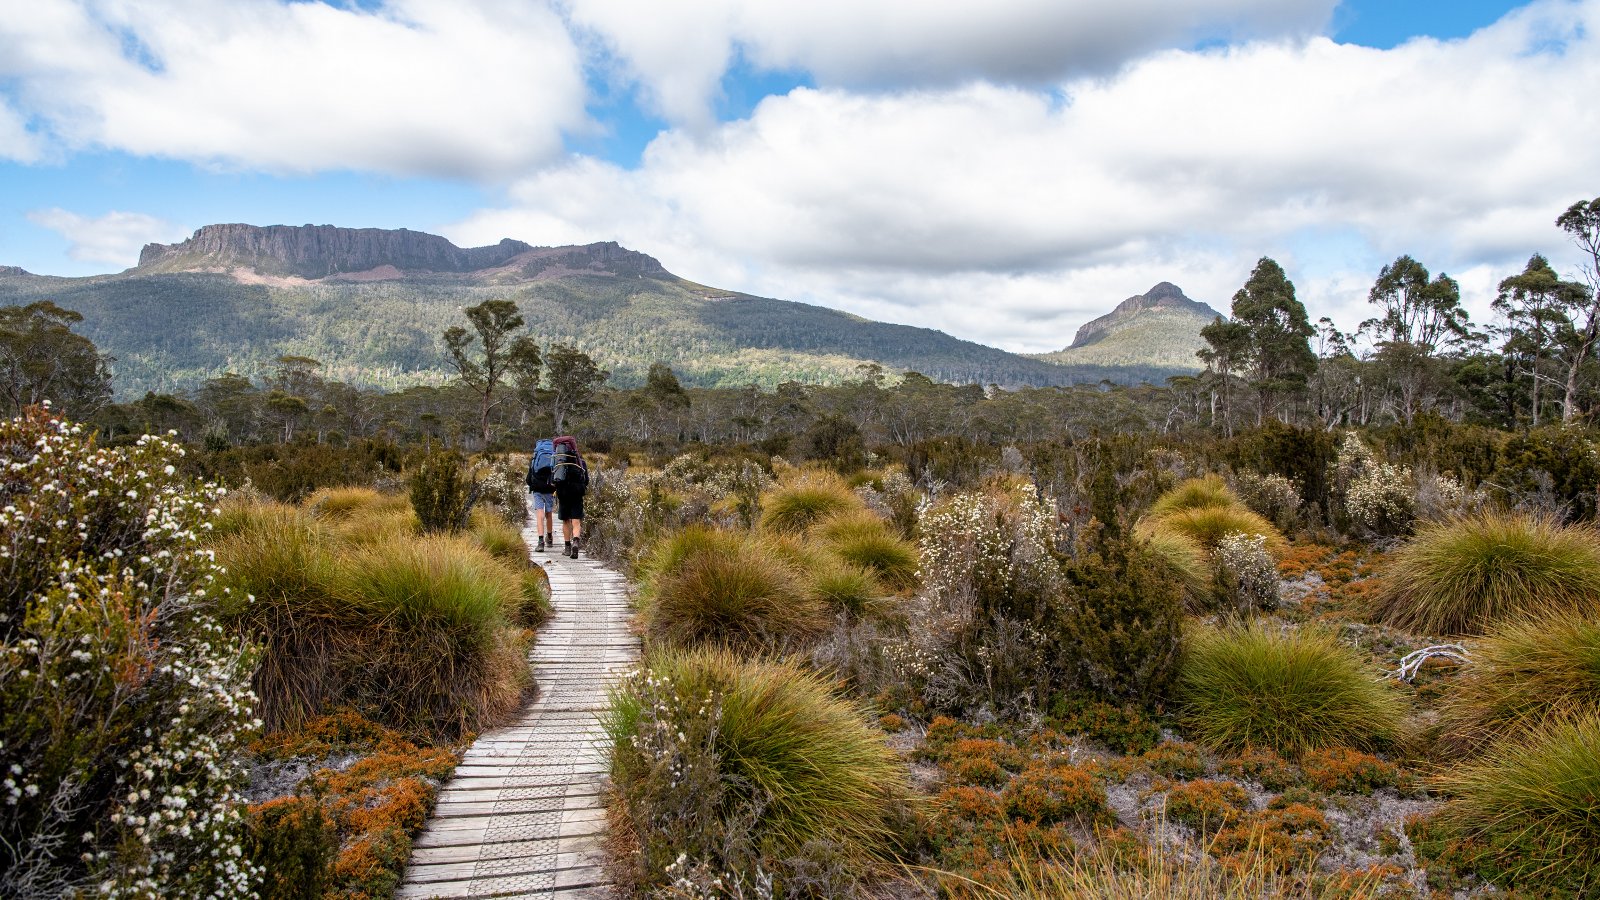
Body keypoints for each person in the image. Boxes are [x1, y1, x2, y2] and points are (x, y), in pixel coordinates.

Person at [551, 435, 589, 558]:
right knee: (576, 520)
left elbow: (552, 480)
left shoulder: (558, 461)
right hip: (577, 493)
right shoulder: (580, 461)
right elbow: (586, 480)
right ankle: (576, 542)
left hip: (563, 493)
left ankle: (567, 548)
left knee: (565, 521)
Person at [525, 438, 557, 552]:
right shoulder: (553, 454)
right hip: (550, 488)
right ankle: (549, 537)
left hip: (537, 489)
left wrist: (532, 485)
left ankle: (540, 541)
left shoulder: (535, 457)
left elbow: (528, 478)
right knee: (549, 514)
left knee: (539, 514)